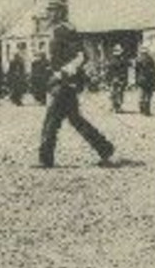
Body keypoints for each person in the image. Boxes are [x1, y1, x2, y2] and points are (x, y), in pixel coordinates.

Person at [38, 14, 114, 168]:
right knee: (76, 121)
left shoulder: (60, 32)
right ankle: (105, 149)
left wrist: (62, 73)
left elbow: (74, 59)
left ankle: (46, 160)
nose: (47, 18)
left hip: (62, 85)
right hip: (67, 85)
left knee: (51, 123)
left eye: (50, 13)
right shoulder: (70, 30)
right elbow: (80, 57)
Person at [135, 47, 155, 115]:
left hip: (141, 80)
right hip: (149, 80)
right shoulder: (150, 59)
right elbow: (154, 70)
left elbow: (136, 71)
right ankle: (147, 110)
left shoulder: (138, 60)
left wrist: (136, 80)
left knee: (142, 94)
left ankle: (141, 108)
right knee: (148, 95)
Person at [106, 44, 129, 113]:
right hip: (119, 79)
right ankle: (117, 107)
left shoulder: (111, 61)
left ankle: (114, 107)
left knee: (114, 93)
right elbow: (124, 72)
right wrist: (125, 79)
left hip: (113, 79)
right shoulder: (122, 61)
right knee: (119, 93)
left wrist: (108, 80)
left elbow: (108, 72)